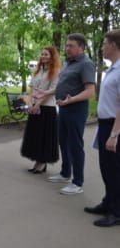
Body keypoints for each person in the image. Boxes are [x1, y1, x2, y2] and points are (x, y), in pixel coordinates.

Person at [48, 33, 96, 195]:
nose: (67, 48)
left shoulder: (86, 64)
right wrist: (45, 93)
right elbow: (62, 85)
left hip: (76, 109)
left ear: (81, 48)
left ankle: (77, 182)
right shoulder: (69, 63)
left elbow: (90, 92)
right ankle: (65, 173)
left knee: (75, 145)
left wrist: (72, 99)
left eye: (71, 46)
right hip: (64, 108)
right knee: (63, 141)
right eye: (66, 45)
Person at [84, 29, 120, 227]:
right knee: (107, 169)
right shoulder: (113, 68)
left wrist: (114, 134)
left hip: (115, 127)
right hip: (106, 124)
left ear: (114, 45)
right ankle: (108, 203)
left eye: (104, 43)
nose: (102, 47)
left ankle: (116, 211)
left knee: (114, 170)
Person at [20, 46, 61, 173]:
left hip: (47, 107)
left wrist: (38, 104)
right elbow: (32, 87)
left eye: (46, 54)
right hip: (34, 107)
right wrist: (31, 103)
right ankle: (37, 161)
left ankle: (42, 163)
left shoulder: (56, 71)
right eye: (42, 54)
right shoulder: (38, 70)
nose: (43, 56)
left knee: (44, 137)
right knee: (35, 136)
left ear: (52, 56)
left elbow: (52, 91)